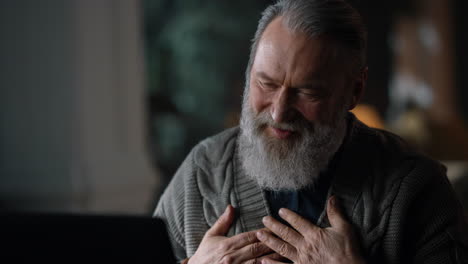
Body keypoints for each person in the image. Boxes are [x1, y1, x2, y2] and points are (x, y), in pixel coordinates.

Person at [154, 0, 468, 263]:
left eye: (307, 93)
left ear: (354, 91)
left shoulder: (416, 189)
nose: (279, 111)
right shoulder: (202, 172)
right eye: (267, 83)